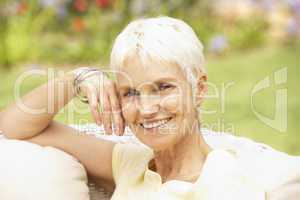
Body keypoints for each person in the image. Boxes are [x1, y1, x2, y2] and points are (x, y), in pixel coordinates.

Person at [0, 17, 265, 199]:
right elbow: (12, 127)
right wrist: (78, 78)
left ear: (200, 89)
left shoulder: (225, 180)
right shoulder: (130, 164)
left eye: (163, 87)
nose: (147, 109)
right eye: (131, 92)